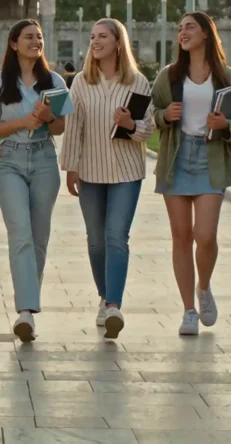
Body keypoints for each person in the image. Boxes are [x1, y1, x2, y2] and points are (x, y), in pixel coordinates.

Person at [150, 12, 231, 336]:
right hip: (176, 158)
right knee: (181, 236)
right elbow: (152, 117)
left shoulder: (225, 76)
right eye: (179, 28)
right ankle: (188, 311)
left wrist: (224, 126)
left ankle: (203, 288)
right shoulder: (170, 76)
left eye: (190, 26)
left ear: (206, 34)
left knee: (205, 236)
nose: (183, 32)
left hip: (210, 159)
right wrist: (166, 114)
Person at [0, 20, 72, 342]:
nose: (36, 41)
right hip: (11, 162)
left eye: (40, 37)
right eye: (29, 37)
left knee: (39, 237)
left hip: (45, 159)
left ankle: (29, 307)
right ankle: (25, 311)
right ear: (14, 43)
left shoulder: (55, 81)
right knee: (20, 234)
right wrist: (23, 121)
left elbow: (59, 128)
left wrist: (48, 119)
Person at [60, 18, 154, 340]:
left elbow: (147, 131)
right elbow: (74, 127)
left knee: (117, 237)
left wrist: (129, 124)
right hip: (90, 171)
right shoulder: (81, 82)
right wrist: (71, 167)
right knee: (96, 240)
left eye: (102, 36)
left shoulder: (137, 83)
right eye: (92, 37)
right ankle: (104, 296)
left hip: (127, 172)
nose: (95, 42)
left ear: (118, 42)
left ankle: (114, 305)